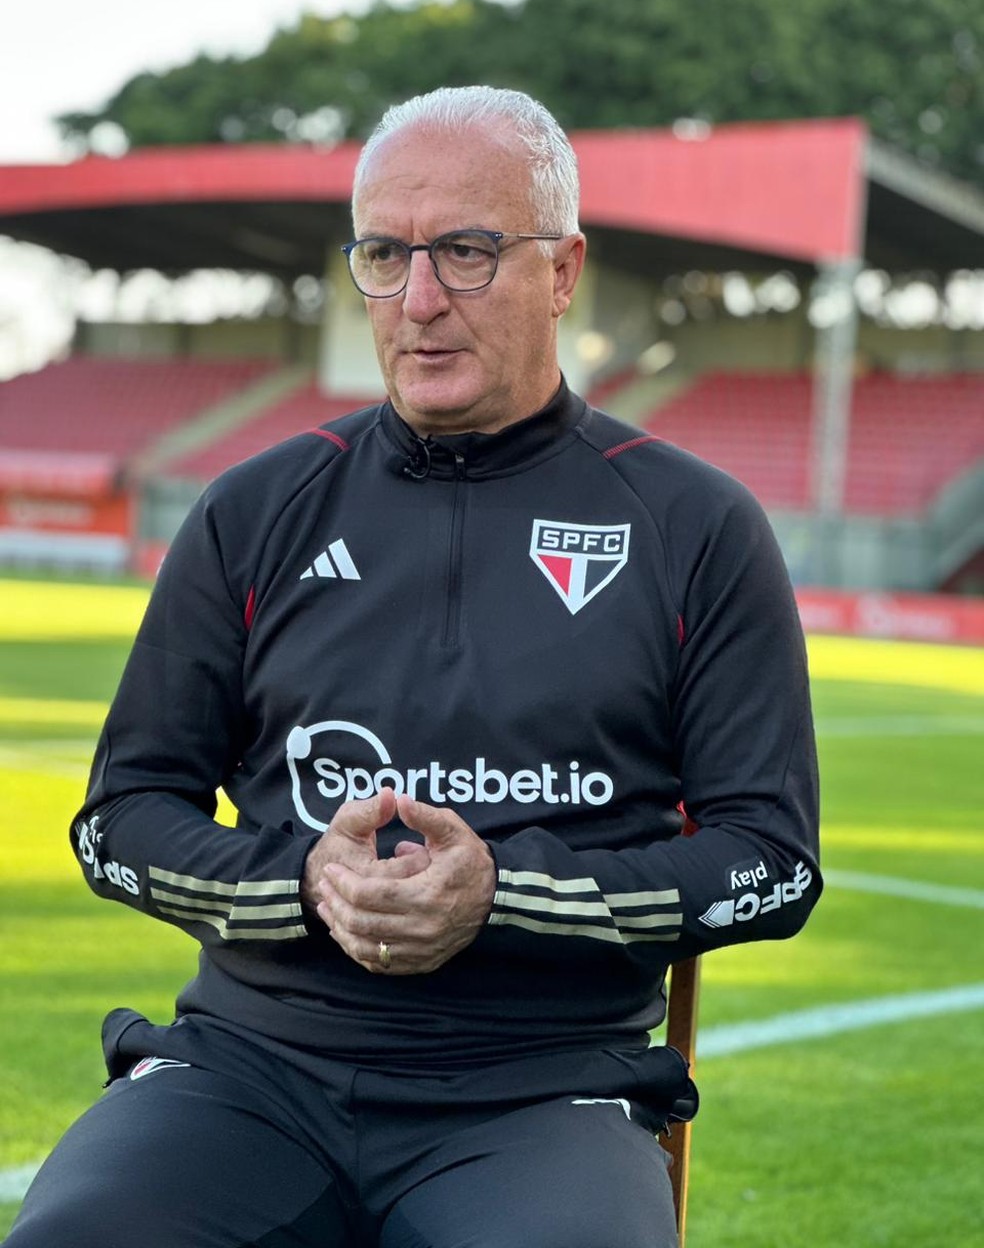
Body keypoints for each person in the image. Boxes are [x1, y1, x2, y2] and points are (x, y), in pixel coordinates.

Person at [8, 85, 821, 1248]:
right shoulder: (254, 511)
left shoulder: (696, 527)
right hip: (249, 1072)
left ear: (563, 270)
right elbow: (117, 821)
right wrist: (305, 883)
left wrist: (501, 894)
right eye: (385, 254)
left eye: (467, 251)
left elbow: (773, 865)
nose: (420, 300)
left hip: (542, 1091)